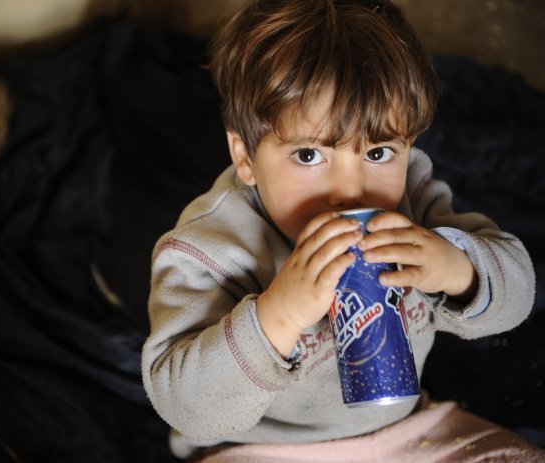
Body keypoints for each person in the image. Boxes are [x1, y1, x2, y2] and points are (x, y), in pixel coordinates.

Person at [141, 0, 544, 461]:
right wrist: (281, 315)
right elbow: (188, 409)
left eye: (377, 154)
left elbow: (518, 296)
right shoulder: (208, 248)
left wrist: (457, 271)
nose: (351, 192)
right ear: (246, 158)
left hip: (409, 428)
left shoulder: (413, 202)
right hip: (260, 449)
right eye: (310, 156)